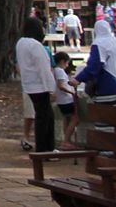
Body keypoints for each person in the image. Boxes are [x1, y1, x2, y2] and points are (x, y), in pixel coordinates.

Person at [17, 16, 58, 153]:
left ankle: (47, 147)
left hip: (30, 85)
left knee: (44, 116)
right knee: (45, 118)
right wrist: (51, 89)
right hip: (40, 86)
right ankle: (45, 149)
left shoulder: (21, 43)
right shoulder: (35, 45)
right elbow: (44, 69)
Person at [76, 20, 116, 107]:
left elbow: (93, 67)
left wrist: (78, 79)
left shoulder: (98, 44)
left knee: (106, 118)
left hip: (107, 89)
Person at [54, 53, 80, 146]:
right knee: (75, 119)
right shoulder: (60, 71)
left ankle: (66, 139)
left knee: (67, 118)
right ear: (62, 61)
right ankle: (66, 140)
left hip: (61, 100)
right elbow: (61, 85)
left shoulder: (55, 71)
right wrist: (72, 93)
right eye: (67, 63)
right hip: (66, 99)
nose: (67, 65)